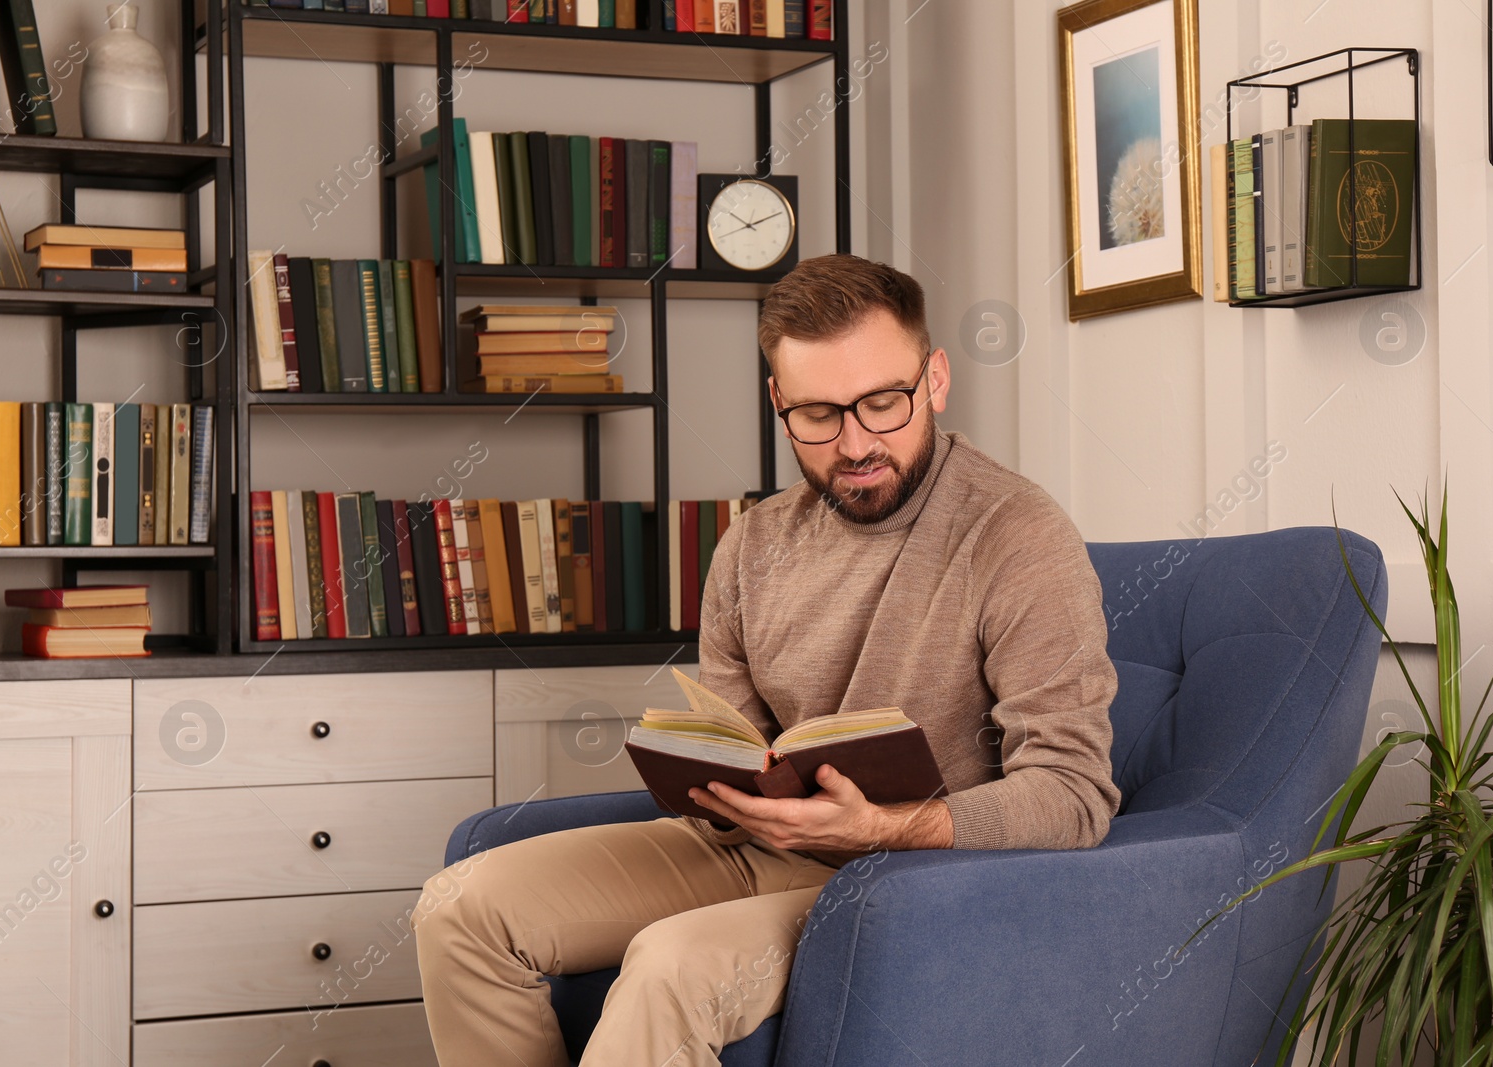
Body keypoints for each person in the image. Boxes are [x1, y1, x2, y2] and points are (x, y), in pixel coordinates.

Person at [411, 253, 1121, 1067]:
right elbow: (735, 749)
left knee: (668, 969)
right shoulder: (753, 543)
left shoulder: (1015, 535)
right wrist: (710, 777)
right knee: (459, 908)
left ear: (935, 380)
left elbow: (1074, 796)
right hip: (750, 847)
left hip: (910, 879)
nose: (855, 443)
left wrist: (883, 825)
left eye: (883, 403)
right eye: (819, 414)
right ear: (779, 402)